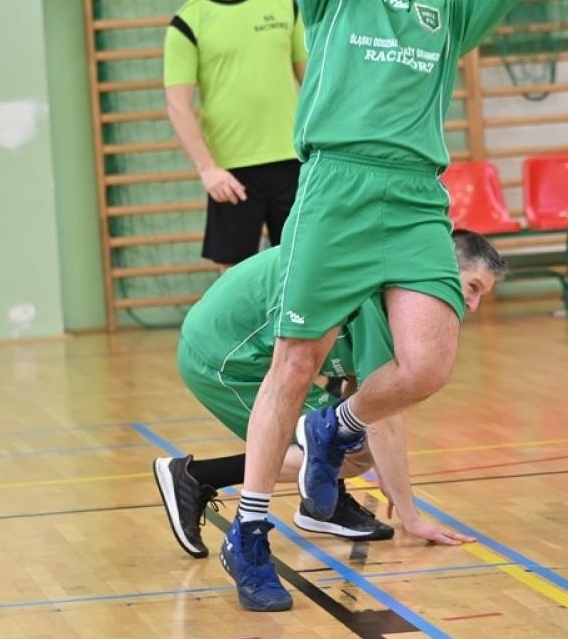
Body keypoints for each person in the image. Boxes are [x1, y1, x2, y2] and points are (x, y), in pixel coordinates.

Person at [220, 0, 545, 611]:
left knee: (429, 361)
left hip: (413, 196)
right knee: (295, 363)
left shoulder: (442, 13)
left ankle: (338, 429)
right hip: (336, 185)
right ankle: (251, 530)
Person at [154, 230, 506, 568]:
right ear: (442, 267)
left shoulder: (390, 268)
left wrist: (388, 469)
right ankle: (196, 477)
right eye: (472, 287)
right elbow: (383, 415)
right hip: (224, 359)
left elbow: (361, 393)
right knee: (349, 447)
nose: (473, 305)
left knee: (347, 434)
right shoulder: (383, 289)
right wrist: (410, 516)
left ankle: (324, 506)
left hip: (235, 346)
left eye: (481, 296)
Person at [165, 0, 308, 268]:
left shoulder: (283, 4)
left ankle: (291, 329)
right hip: (231, 172)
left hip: (293, 162)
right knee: (234, 283)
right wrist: (207, 169)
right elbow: (178, 106)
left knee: (303, 273)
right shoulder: (187, 21)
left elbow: (314, 84)